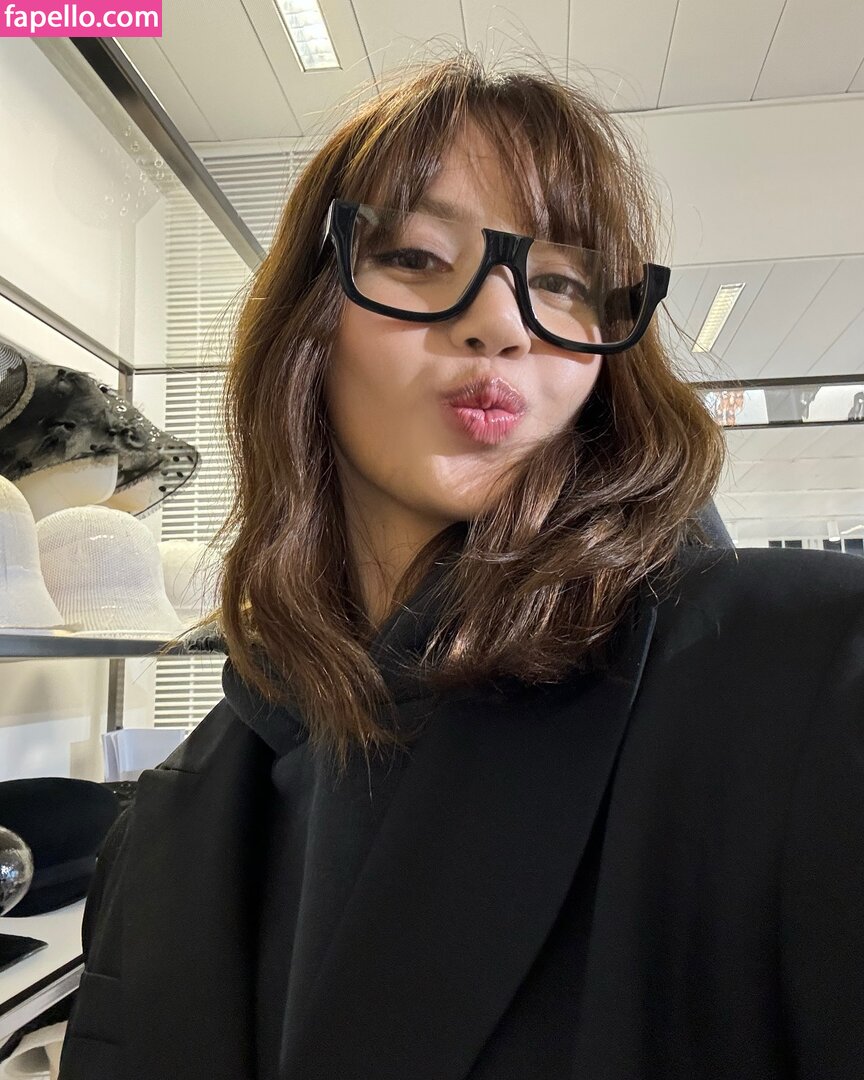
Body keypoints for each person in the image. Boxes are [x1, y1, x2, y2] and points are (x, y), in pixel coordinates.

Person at [58, 54, 864, 1080]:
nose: (503, 322)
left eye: (563, 283)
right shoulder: (178, 812)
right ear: (308, 318)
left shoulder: (804, 678)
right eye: (416, 257)